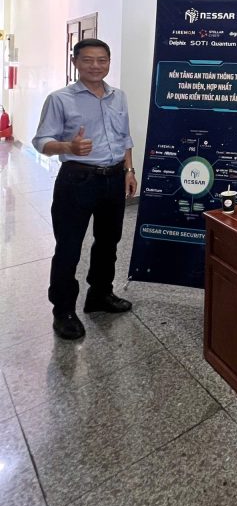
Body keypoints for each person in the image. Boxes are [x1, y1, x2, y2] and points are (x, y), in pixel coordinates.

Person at [33, 38, 137, 340]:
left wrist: (129, 171)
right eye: (88, 60)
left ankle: (100, 294)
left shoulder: (119, 97)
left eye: (102, 60)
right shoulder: (60, 99)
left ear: (109, 62)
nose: (96, 66)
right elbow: (41, 141)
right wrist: (69, 147)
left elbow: (125, 137)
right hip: (77, 179)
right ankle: (63, 310)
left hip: (113, 178)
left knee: (108, 241)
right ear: (76, 62)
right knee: (69, 246)